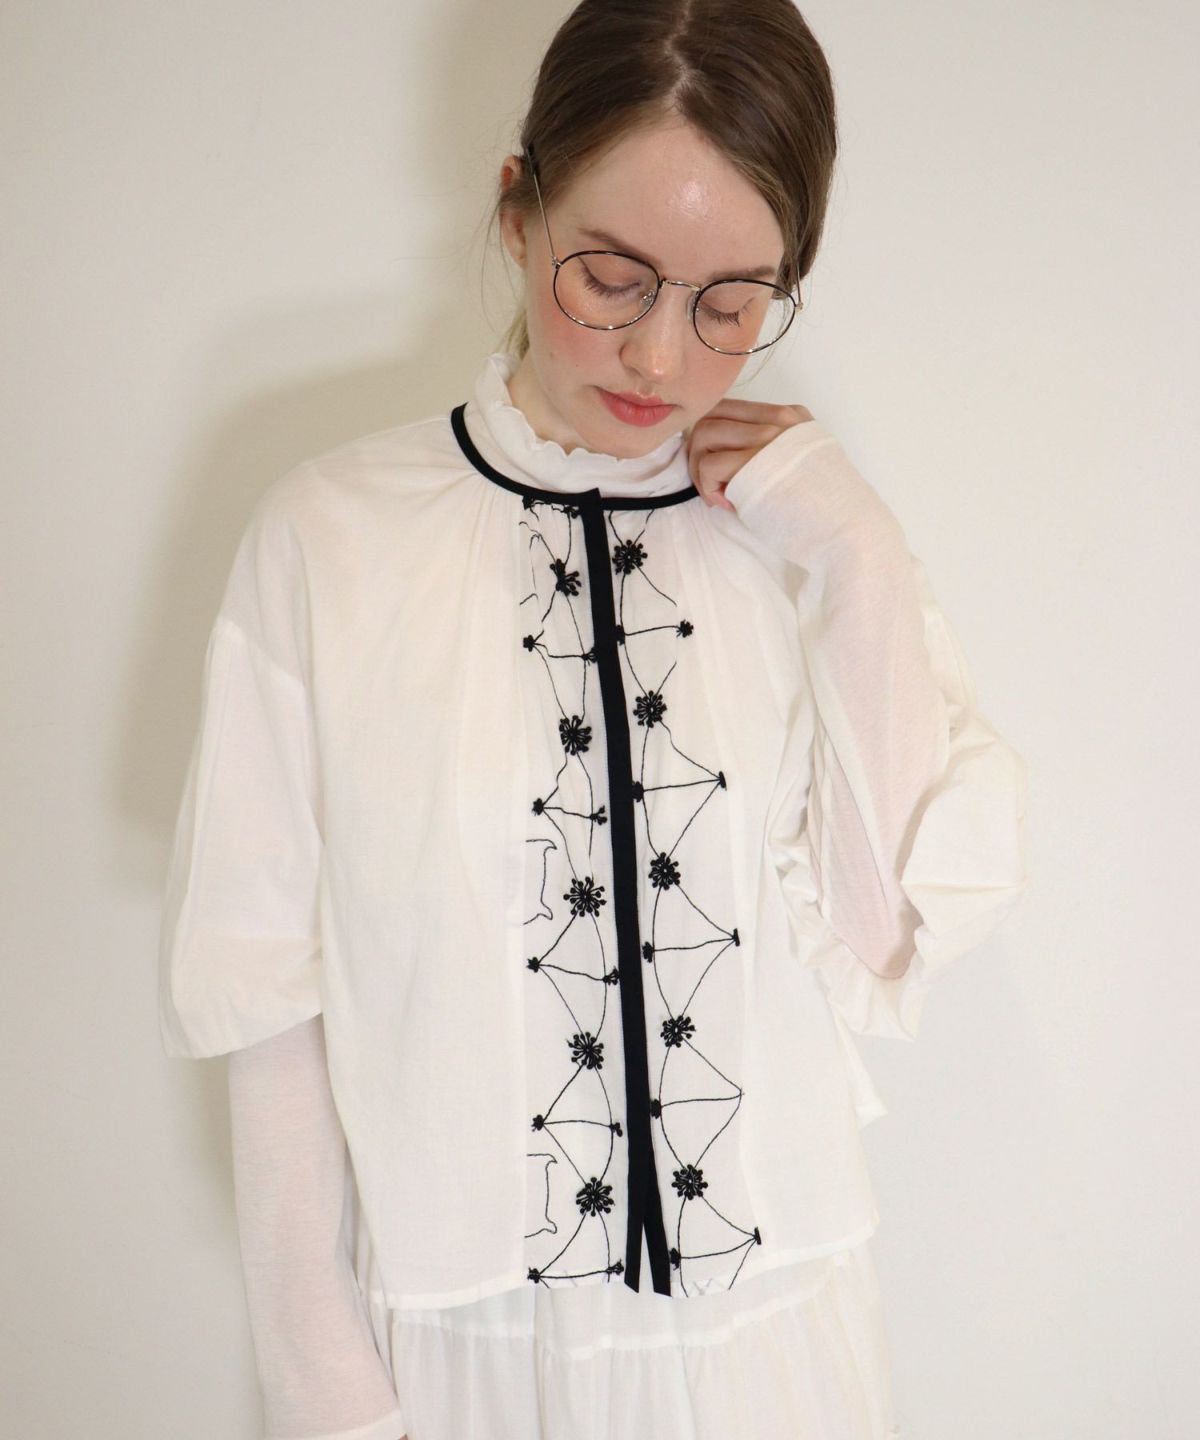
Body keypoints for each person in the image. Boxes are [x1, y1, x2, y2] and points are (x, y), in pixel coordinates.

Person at [157, 3, 1029, 1437]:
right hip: (462, 1358)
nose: (663, 361)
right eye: (613, 280)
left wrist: (862, 557)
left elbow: (880, 938)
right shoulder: (329, 539)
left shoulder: (801, 539)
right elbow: (263, 986)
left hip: (775, 1351)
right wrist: (324, 1390)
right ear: (518, 213)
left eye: (730, 305)